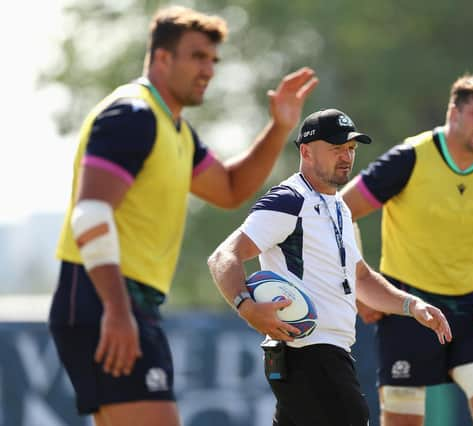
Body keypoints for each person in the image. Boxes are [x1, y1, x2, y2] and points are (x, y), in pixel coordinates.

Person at [48, 5, 318, 426]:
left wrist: (280, 127)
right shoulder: (132, 116)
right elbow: (90, 214)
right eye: (197, 57)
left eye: (213, 60)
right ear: (161, 58)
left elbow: (229, 188)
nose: (209, 69)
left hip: (128, 301)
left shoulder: (172, 128)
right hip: (105, 298)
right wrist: (116, 311)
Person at [207, 108, 452, 426]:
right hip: (309, 353)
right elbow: (224, 256)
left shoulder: (339, 207)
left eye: (351, 148)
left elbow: (361, 277)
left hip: (325, 353)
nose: (347, 156)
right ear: (306, 151)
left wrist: (411, 305)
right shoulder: (289, 200)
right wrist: (246, 307)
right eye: (336, 148)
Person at [340, 74, 473, 426]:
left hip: (472, 308)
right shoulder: (409, 158)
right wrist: (360, 287)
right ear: (454, 111)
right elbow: (341, 210)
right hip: (407, 304)